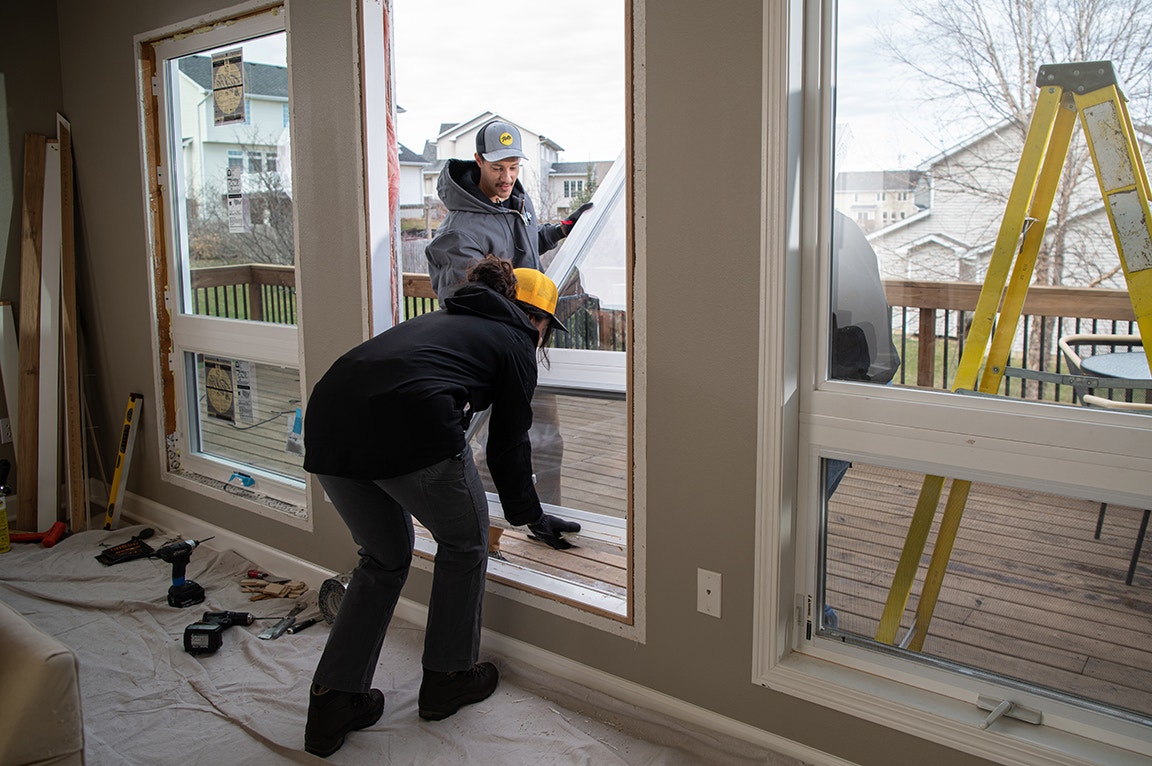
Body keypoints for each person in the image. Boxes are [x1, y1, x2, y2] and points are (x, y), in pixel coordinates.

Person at [301, 257, 581, 758]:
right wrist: (530, 516)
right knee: (466, 543)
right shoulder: (515, 338)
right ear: (533, 317)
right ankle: (449, 678)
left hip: (326, 428)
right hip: (410, 427)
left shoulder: (439, 321)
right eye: (547, 326)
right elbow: (509, 443)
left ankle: (333, 702)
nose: (544, 338)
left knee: (383, 559)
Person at [425, 119, 592, 558]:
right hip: (487, 354)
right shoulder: (459, 231)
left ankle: (542, 515)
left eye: (514, 166)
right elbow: (466, 299)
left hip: (524, 343)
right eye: (498, 167)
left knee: (546, 440)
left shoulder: (517, 203)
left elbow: (521, 250)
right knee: (491, 444)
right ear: (478, 161)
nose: (507, 177)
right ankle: (484, 526)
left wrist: (559, 231)